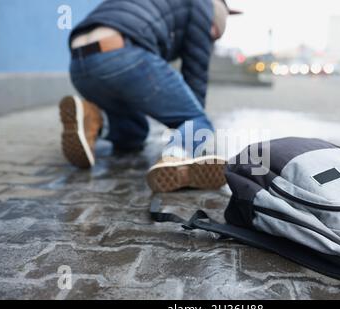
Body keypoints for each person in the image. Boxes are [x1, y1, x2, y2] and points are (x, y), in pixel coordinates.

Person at [59, 0, 241, 192]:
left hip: (79, 64)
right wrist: (191, 124)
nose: (210, 39)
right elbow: (196, 70)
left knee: (134, 133)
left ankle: (93, 120)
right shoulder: (204, 4)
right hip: (123, 56)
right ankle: (176, 157)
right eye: (213, 35)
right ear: (215, 19)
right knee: (197, 120)